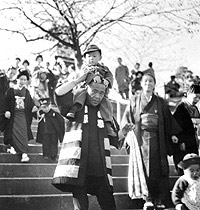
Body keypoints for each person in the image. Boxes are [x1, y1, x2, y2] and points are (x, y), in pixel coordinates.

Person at [52, 73, 133, 210]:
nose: (97, 96)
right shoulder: (75, 107)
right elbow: (59, 93)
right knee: (81, 207)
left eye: (101, 93)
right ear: (86, 88)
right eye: (94, 91)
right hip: (79, 167)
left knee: (109, 205)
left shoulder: (105, 112)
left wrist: (124, 131)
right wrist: (79, 80)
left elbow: (114, 139)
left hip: (99, 168)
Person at [120, 71, 182, 210]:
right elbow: (128, 118)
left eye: (151, 81)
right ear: (141, 84)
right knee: (144, 168)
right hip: (141, 139)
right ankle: (147, 198)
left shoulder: (160, 101)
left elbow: (167, 119)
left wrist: (172, 133)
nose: (148, 84)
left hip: (158, 138)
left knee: (160, 169)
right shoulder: (134, 100)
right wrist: (127, 135)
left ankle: (159, 199)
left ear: (154, 85)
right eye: (146, 81)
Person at [66, 44, 116, 136]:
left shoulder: (104, 69)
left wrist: (107, 81)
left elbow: (110, 76)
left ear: (100, 57)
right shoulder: (85, 68)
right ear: (85, 58)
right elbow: (83, 75)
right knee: (79, 94)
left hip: (100, 92)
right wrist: (93, 76)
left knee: (107, 104)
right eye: (89, 56)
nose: (91, 58)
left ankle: (108, 125)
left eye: (94, 56)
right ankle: (73, 109)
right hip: (87, 90)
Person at [3, 70, 35, 162]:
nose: (23, 81)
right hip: (13, 115)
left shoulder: (27, 92)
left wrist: (33, 108)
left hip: (23, 116)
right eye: (21, 79)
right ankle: (13, 148)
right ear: (17, 79)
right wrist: (6, 111)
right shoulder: (11, 90)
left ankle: (24, 153)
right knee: (12, 132)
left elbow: (30, 104)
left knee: (23, 133)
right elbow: (5, 102)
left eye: (25, 80)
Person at [172, 84, 200, 175]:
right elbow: (175, 126)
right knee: (184, 168)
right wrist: (181, 141)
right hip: (183, 143)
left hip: (193, 141)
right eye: (195, 97)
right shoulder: (181, 107)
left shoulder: (195, 109)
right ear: (188, 94)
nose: (197, 100)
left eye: (199, 98)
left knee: (194, 167)